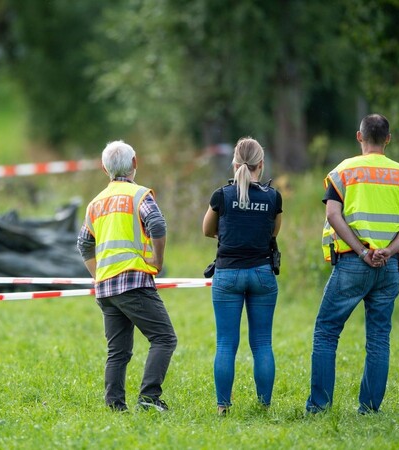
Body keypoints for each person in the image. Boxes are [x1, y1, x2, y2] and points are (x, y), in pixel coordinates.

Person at [306, 113, 399, 414]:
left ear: (360, 137)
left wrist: (361, 251)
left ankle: (319, 408)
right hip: (388, 268)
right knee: (379, 338)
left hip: (352, 265)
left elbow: (333, 215)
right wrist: (389, 251)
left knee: (326, 333)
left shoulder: (343, 172)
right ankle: (369, 409)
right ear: (388, 138)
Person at [76, 140, 178, 412]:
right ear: (135, 163)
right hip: (133, 280)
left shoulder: (95, 203)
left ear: (103, 168)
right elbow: (156, 222)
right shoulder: (139, 195)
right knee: (164, 338)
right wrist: (157, 260)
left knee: (117, 352)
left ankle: (115, 406)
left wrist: (99, 274)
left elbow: (84, 243)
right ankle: (149, 398)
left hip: (107, 287)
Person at [202, 137, 283, 416]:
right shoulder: (273, 197)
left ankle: (223, 406)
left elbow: (206, 229)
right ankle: (264, 405)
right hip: (262, 274)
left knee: (226, 343)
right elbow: (273, 232)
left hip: (227, 274)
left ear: (235, 163)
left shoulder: (221, 195)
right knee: (262, 343)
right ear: (261, 164)